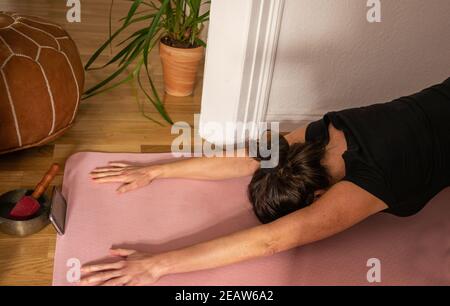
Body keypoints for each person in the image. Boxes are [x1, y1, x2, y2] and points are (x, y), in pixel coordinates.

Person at [80, 77, 450, 286]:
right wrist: (156, 170)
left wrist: (158, 265)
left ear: (318, 196)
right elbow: (249, 155)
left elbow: (271, 241)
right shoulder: (325, 131)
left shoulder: (369, 180)